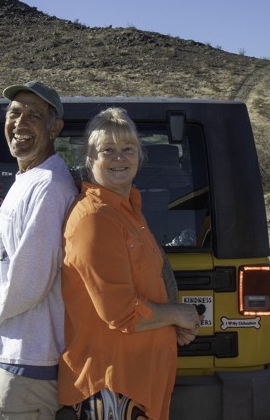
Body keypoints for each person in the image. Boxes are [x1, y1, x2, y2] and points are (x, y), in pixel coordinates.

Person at [58, 108, 202, 420]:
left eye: (128, 148)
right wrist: (177, 314)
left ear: (139, 155)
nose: (119, 158)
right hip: (112, 386)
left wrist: (170, 322)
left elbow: (149, 288)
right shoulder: (94, 218)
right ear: (88, 157)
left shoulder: (128, 211)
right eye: (107, 150)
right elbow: (121, 312)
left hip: (138, 383)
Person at [0, 81, 78, 420]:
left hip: (29, 361)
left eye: (34, 116)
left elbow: (29, 283)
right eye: (14, 113)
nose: (20, 123)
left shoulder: (49, 187)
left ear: (55, 128)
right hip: (19, 355)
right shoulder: (30, 179)